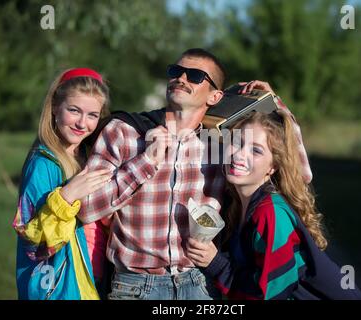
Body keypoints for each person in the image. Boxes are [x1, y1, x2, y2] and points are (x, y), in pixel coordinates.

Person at [78, 49, 313, 300]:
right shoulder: (125, 132)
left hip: (200, 283)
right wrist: (146, 161)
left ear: (215, 96)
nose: (181, 79)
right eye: (175, 72)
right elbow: (87, 208)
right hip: (135, 285)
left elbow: (299, 172)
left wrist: (274, 103)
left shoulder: (220, 144)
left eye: (195, 76)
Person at [185, 109, 361, 300]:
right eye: (237, 143)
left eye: (256, 150)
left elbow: (269, 295)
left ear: (272, 167)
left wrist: (216, 263)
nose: (239, 155)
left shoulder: (270, 212)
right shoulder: (236, 205)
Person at [12, 68, 112, 300]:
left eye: (92, 115)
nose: (82, 123)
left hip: (93, 278)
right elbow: (33, 238)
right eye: (74, 110)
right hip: (62, 288)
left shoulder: (87, 157)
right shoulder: (43, 163)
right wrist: (65, 197)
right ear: (55, 107)